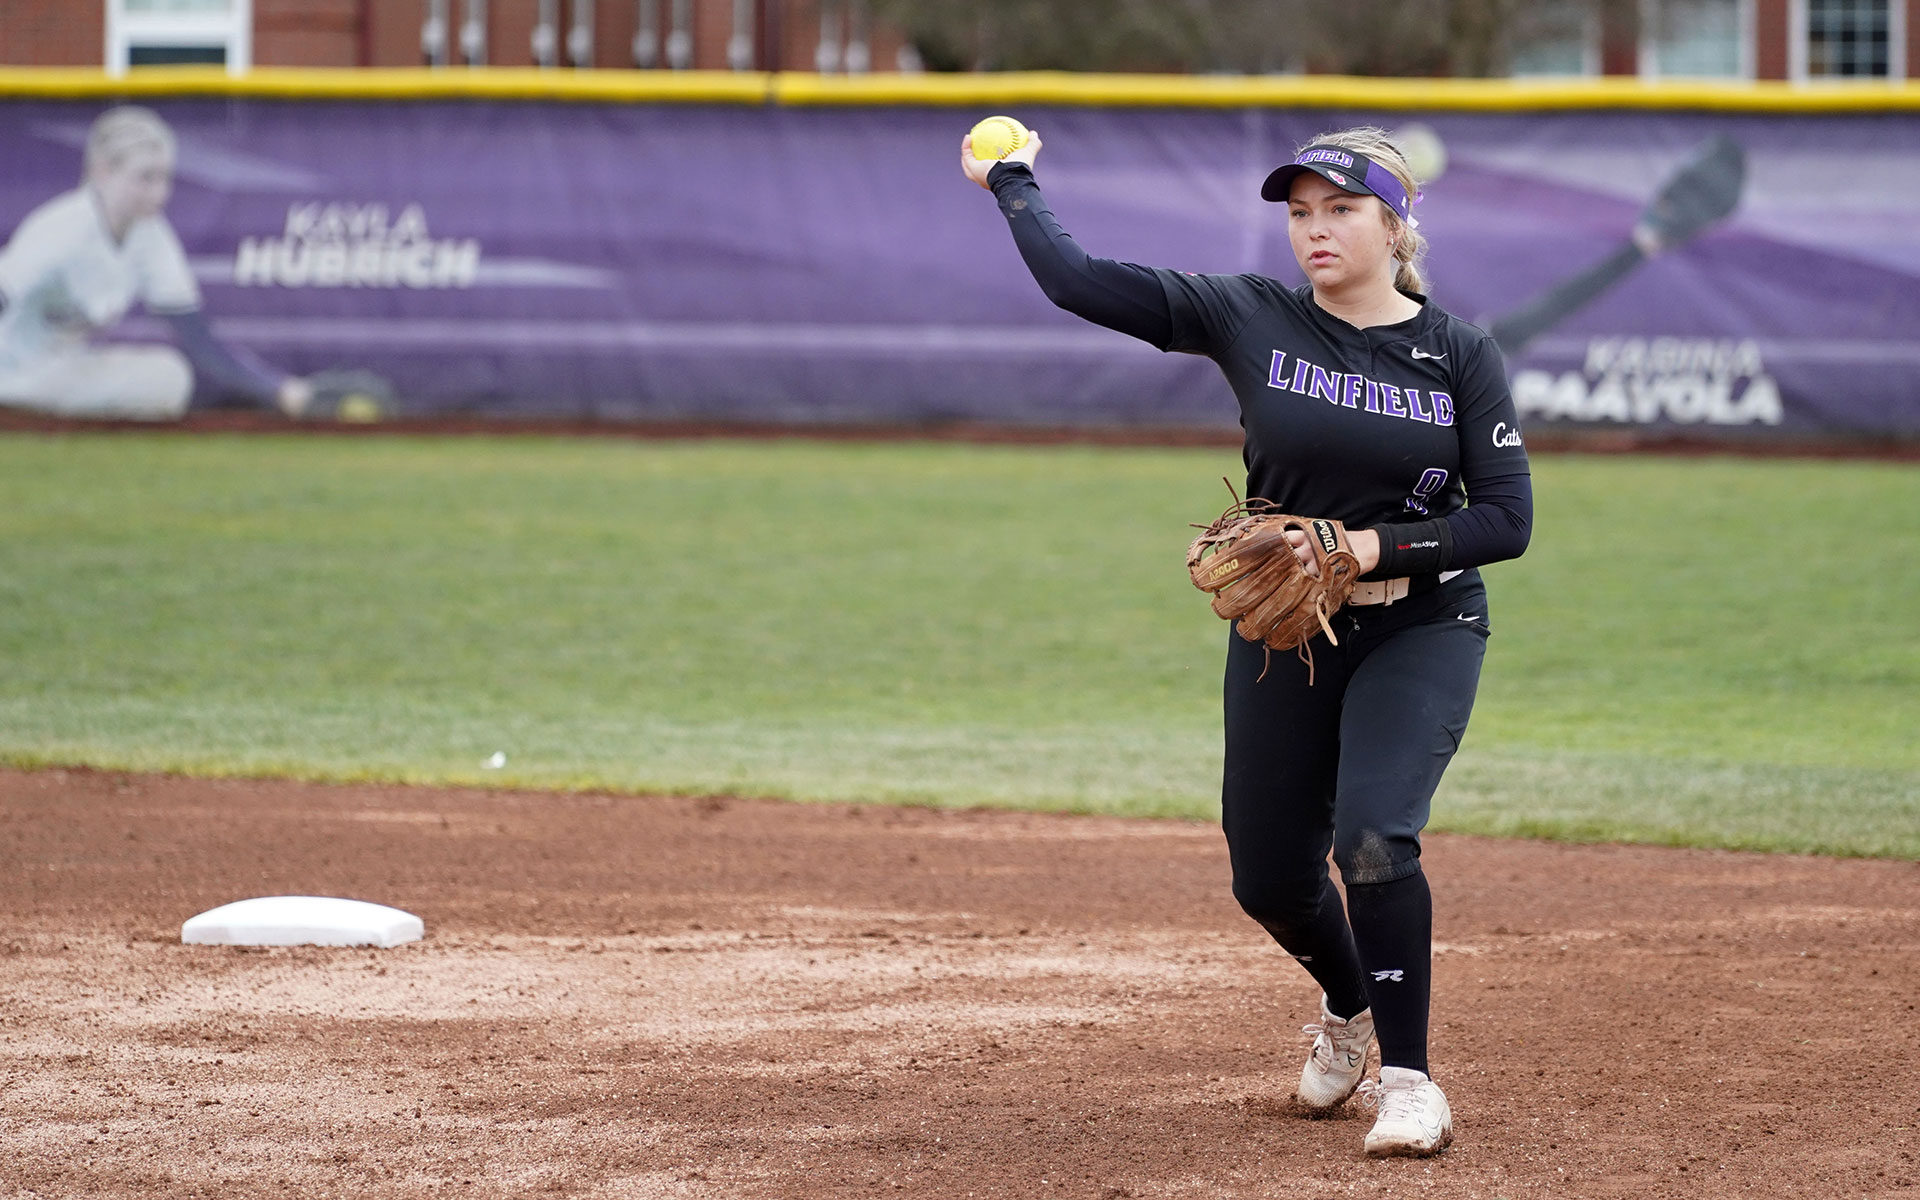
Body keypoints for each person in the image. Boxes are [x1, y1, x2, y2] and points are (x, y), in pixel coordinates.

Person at [962, 125, 1532, 1157]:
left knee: (1372, 837)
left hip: (1422, 621)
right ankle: (1348, 1014)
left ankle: (1411, 1084)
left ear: (1397, 225)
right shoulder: (1251, 315)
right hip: (1290, 628)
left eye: (1341, 210)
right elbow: (1079, 283)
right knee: (1267, 879)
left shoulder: (1456, 351)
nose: (1315, 230)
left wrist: (1365, 543)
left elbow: (1507, 521)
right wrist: (1012, 180)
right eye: (1300, 212)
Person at [0, 105, 314, 421]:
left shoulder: (149, 233)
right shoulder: (62, 228)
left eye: (165, 178)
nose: (160, 193)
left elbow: (195, 336)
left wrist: (279, 390)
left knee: (170, 375)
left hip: (62, 369)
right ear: (102, 172)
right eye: (146, 178)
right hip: (12, 369)